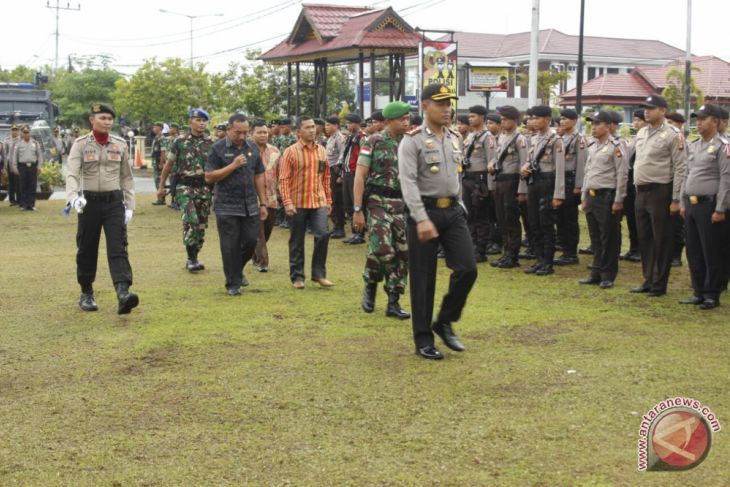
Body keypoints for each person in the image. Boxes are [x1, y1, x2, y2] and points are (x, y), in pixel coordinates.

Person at [399, 83, 477, 360]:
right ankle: (423, 340)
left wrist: (460, 204)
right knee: (423, 279)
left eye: (449, 103)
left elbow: (456, 176)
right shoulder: (412, 140)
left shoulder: (455, 136)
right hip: (425, 212)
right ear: (424, 106)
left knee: (468, 268)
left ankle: (444, 320)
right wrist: (420, 218)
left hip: (453, 212)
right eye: (440, 103)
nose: (447, 109)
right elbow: (407, 183)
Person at [65, 103, 138, 314]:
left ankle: (123, 293)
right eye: (103, 118)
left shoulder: (120, 144)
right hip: (89, 203)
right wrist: (73, 198)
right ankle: (86, 293)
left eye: (110, 118)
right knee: (87, 248)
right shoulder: (80, 144)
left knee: (118, 246)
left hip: (113, 202)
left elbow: (126, 177)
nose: (107, 122)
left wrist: (129, 206)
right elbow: (71, 173)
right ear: (92, 119)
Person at [352, 100, 411, 319]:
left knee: (403, 252)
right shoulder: (373, 141)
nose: (406, 123)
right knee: (383, 249)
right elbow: (360, 176)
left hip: (402, 203)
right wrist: (358, 209)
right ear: (388, 121)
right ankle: (371, 284)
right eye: (401, 119)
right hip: (377, 200)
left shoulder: (410, 142)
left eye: (408, 119)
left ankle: (393, 301)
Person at [205, 114, 267, 295]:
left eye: (245, 133)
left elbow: (258, 175)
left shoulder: (252, 147)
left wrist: (263, 203)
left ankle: (236, 270)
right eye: (238, 132)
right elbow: (209, 177)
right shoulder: (217, 149)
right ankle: (232, 283)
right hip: (226, 205)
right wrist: (232, 166)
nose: (242, 136)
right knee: (229, 245)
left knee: (250, 241)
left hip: (250, 204)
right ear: (228, 130)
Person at [631, 95, 686, 297]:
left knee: (661, 238)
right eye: (645, 108)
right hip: (641, 190)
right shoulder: (642, 132)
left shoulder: (673, 134)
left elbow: (681, 167)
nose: (647, 111)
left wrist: (676, 199)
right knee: (644, 237)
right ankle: (648, 278)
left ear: (663, 110)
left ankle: (659, 283)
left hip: (661, 191)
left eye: (651, 108)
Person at [678, 104, 729, 309]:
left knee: (712, 251)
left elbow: (726, 179)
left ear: (715, 121)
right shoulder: (695, 145)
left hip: (710, 205)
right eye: (696, 119)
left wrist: (720, 208)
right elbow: (687, 174)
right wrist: (682, 201)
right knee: (693, 250)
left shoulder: (722, 146)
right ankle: (698, 290)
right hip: (692, 205)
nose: (697, 122)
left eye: (702, 119)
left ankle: (711, 293)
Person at [278, 116, 333, 289]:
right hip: (297, 202)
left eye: (313, 127)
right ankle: (297, 276)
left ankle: (319, 274)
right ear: (298, 131)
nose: (312, 130)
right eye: (307, 127)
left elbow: (325, 177)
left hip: (318, 201)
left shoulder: (321, 151)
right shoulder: (290, 152)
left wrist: (328, 200)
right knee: (297, 240)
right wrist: (287, 202)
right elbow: (283, 179)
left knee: (323, 234)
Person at [159, 108, 215, 272]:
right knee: (191, 220)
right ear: (191, 121)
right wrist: (162, 186)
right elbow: (168, 165)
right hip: (184, 186)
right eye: (198, 120)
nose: (201, 123)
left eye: (204, 121)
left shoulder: (211, 143)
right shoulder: (179, 141)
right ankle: (191, 259)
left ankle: (195, 255)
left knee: (201, 225)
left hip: (204, 187)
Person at [578, 111, 628, 289]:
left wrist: (619, 199)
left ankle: (608, 274)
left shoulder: (616, 145)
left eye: (598, 123)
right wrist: (584, 196)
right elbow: (587, 173)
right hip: (592, 196)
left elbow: (622, 174)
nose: (594, 127)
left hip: (607, 196)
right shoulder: (592, 146)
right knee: (595, 238)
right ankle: (596, 272)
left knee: (609, 238)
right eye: (592, 123)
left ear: (608, 126)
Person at [521, 105, 566, 276]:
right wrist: (524, 168)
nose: (532, 121)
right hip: (534, 182)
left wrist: (558, 195)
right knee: (534, 223)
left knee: (546, 224)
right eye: (531, 118)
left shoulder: (555, 140)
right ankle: (539, 259)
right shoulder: (534, 138)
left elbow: (560, 169)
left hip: (548, 183)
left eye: (536, 118)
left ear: (547, 120)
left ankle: (548, 262)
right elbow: (529, 160)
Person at [488, 106, 529, 269]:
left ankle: (513, 254)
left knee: (511, 218)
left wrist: (522, 190)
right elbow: (496, 158)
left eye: (505, 119)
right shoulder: (501, 137)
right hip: (500, 180)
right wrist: (491, 164)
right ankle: (506, 252)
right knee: (501, 218)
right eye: (501, 120)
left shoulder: (520, 139)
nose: (502, 123)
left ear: (514, 120)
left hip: (512, 181)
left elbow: (525, 165)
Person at [554, 108, 587, 266]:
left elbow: (582, 163)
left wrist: (578, 186)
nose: (562, 121)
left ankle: (571, 253)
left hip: (571, 180)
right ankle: (565, 250)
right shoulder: (560, 138)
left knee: (570, 219)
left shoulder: (578, 139)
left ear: (574, 121)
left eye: (566, 119)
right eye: (561, 119)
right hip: (560, 180)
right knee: (560, 218)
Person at [462, 105, 494, 262]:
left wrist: (490, 186)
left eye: (473, 116)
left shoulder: (487, 137)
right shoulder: (470, 135)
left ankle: (480, 250)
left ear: (482, 118)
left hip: (480, 179)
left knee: (480, 216)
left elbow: (491, 161)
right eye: (469, 116)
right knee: (469, 215)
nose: (470, 119)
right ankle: (471, 247)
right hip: (467, 178)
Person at [250, 119, 280, 273]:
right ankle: (263, 261)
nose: (263, 135)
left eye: (265, 132)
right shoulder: (247, 151)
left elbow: (280, 173)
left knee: (267, 229)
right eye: (259, 132)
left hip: (272, 198)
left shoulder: (275, 151)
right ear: (251, 133)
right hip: (252, 198)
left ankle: (254, 255)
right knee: (258, 230)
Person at [620, 110, 646, 262]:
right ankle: (633, 247)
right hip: (630, 181)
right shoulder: (636, 138)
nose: (636, 123)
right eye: (635, 120)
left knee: (638, 219)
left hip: (639, 181)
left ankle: (641, 249)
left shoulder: (646, 139)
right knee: (631, 216)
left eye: (639, 120)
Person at [340, 113, 365, 244]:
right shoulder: (349, 137)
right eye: (347, 123)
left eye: (350, 123)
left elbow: (363, 157)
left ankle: (359, 234)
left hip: (356, 173)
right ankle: (354, 232)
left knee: (356, 203)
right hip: (347, 173)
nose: (348, 125)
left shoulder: (362, 137)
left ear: (357, 124)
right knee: (348, 204)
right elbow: (346, 155)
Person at [11, 125, 43, 211]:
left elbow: (40, 156)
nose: (26, 134)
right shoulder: (18, 144)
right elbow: (14, 157)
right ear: (22, 134)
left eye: (27, 132)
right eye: (24, 133)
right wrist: (14, 168)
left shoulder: (35, 143)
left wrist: (39, 167)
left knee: (32, 186)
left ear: (30, 133)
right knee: (23, 186)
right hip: (22, 167)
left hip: (32, 166)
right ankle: (24, 205)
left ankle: (31, 204)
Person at [325, 116, 347, 239]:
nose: (326, 127)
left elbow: (342, 156)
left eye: (328, 125)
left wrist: (339, 174)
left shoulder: (340, 138)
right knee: (331, 199)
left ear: (336, 125)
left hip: (335, 172)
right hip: (329, 172)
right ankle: (335, 226)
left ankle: (340, 227)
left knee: (337, 200)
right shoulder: (331, 138)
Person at [3, 124, 21, 206]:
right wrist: (5, 165)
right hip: (9, 164)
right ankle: (12, 200)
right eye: (13, 130)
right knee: (11, 183)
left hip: (17, 164)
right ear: (11, 131)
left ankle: (19, 200)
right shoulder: (7, 140)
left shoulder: (21, 140)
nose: (14, 131)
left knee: (18, 182)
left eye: (16, 130)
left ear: (18, 131)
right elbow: (4, 153)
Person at [150, 122, 166, 206]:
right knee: (156, 180)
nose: (153, 128)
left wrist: (161, 163)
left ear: (160, 128)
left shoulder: (162, 138)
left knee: (159, 180)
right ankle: (160, 198)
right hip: (155, 162)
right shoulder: (156, 137)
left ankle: (161, 199)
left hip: (159, 162)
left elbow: (163, 151)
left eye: (155, 127)